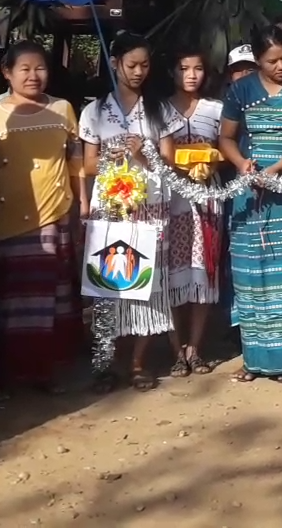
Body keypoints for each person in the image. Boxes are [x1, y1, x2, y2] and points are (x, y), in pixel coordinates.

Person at [219, 26, 282, 383]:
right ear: (257, 61)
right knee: (252, 275)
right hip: (250, 194)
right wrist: (241, 163)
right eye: (272, 61)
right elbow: (226, 137)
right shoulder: (241, 90)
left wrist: (275, 170)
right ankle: (255, 359)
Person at [0, 41, 80, 394]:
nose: (33, 76)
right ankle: (8, 374)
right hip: (6, 219)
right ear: (6, 72)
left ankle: (45, 372)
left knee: (48, 299)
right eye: (24, 69)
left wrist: (80, 208)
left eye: (40, 68)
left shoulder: (63, 109)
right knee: (10, 301)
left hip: (54, 214)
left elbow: (75, 164)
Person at [78, 33, 177, 392]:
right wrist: (111, 155)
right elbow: (88, 164)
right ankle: (108, 362)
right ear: (114, 63)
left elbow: (170, 162)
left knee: (147, 283)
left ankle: (137, 363)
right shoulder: (94, 111)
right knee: (109, 284)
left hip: (149, 207)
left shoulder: (160, 109)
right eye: (131, 65)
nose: (138, 72)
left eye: (144, 65)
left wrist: (142, 153)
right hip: (111, 208)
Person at [158, 49, 224, 377]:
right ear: (172, 71)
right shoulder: (158, 110)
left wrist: (211, 163)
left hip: (206, 199)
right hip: (170, 201)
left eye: (198, 68)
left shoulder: (216, 109)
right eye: (184, 68)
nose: (191, 75)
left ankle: (195, 349)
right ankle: (176, 350)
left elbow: (224, 150)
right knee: (171, 276)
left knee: (202, 275)